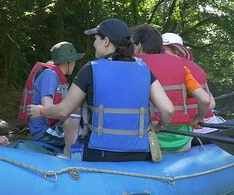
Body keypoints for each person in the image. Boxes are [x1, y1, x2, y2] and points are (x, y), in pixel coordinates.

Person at [26, 18, 174, 162]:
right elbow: (168, 110)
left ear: (106, 41)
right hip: (139, 154)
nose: (95, 44)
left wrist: (42, 111)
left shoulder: (90, 69)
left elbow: (64, 111)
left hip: (98, 154)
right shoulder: (144, 70)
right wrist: (159, 126)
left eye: (96, 39)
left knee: (71, 124)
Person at [131, 25, 212, 152]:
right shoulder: (182, 66)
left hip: (146, 141)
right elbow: (205, 100)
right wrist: (198, 117)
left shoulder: (130, 66)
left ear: (139, 46)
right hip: (182, 141)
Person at [18, 41, 84, 156]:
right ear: (69, 62)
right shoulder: (50, 76)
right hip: (44, 131)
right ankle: (71, 161)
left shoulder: (56, 76)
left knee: (78, 124)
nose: (75, 64)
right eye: (74, 60)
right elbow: (47, 109)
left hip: (52, 126)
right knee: (83, 135)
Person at [161, 32, 220, 132]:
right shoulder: (198, 68)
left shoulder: (164, 69)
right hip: (212, 126)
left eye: (163, 50)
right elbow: (211, 104)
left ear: (176, 51)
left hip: (190, 130)